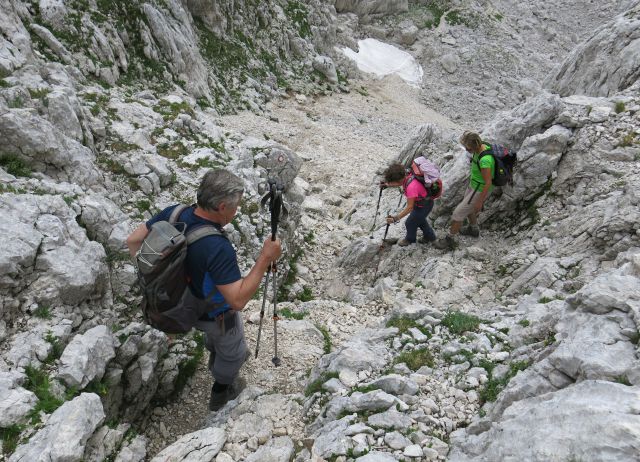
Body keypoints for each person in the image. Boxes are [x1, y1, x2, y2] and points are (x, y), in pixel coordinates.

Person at [126, 169, 282, 411]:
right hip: (214, 315)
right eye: (236, 205)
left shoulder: (174, 213)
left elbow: (133, 241)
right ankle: (221, 391)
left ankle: (212, 352)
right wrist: (264, 258)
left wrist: (155, 281)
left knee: (215, 338)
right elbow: (238, 300)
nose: (237, 210)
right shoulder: (217, 247)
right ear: (221, 206)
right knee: (234, 353)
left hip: (174, 304)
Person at [434, 131, 494, 250]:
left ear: (475, 145)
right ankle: (473, 229)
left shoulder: (485, 160)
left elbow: (488, 182)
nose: (467, 150)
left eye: (468, 148)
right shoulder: (483, 147)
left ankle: (449, 240)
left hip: (479, 189)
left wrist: (479, 201)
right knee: (468, 209)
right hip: (474, 185)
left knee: (457, 214)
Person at [382, 162, 436, 246]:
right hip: (423, 203)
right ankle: (430, 237)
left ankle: (410, 239)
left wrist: (395, 219)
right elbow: (397, 183)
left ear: (399, 180)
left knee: (410, 223)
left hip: (424, 206)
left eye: (392, 182)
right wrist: (387, 184)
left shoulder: (411, 187)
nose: (391, 183)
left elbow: (409, 207)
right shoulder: (407, 175)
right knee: (420, 221)